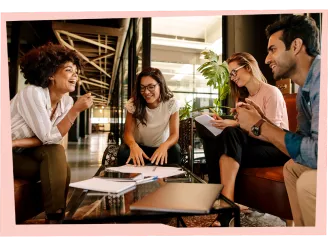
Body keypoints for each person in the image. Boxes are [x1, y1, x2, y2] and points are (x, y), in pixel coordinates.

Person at [236, 15, 320, 226]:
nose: (266, 59)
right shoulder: (303, 90)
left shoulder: (322, 78)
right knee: (291, 168)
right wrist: (262, 120)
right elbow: (302, 138)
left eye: (272, 50)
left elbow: (319, 153)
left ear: (296, 45)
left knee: (308, 184)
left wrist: (260, 125)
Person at [11, 42, 93, 223]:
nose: (75, 75)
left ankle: (55, 217)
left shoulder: (66, 102)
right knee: (59, 165)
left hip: (20, 150)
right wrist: (75, 112)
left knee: (57, 154)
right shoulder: (33, 94)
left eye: (76, 71)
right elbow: (48, 137)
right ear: (50, 75)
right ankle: (56, 218)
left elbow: (51, 138)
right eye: (69, 70)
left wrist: (16, 143)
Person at [196, 52, 290, 208]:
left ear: (248, 68)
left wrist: (236, 125)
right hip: (254, 145)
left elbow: (275, 133)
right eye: (230, 74)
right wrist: (227, 123)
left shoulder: (271, 92)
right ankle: (218, 196)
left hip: (276, 148)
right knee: (213, 133)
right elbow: (245, 132)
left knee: (230, 134)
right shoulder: (244, 98)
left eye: (234, 72)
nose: (232, 77)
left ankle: (227, 203)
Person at [117, 67, 181, 167]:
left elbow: (174, 135)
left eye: (151, 87)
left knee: (175, 151)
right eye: (142, 87)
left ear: (160, 85)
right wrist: (133, 146)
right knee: (123, 152)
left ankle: (169, 181)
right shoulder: (134, 104)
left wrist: (164, 146)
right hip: (140, 148)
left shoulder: (171, 103)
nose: (146, 92)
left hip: (160, 148)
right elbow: (128, 133)